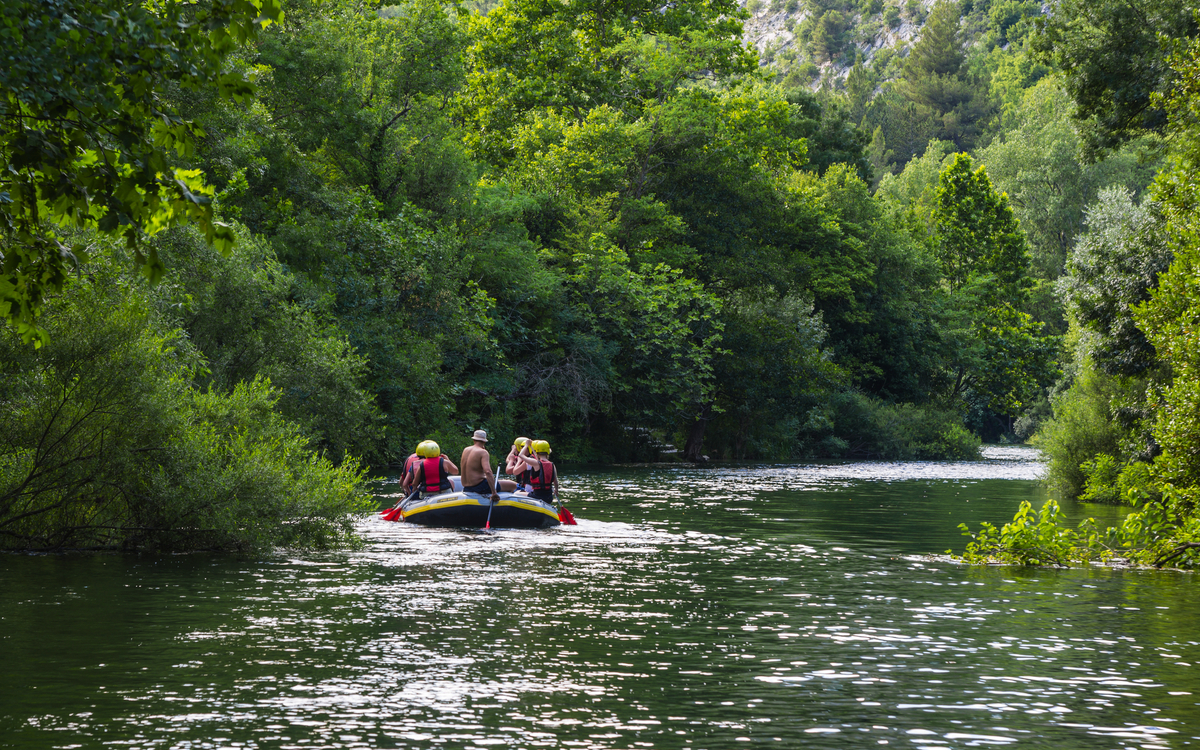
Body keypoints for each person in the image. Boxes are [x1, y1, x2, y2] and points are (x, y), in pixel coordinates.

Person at [458, 429, 501, 503]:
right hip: (479, 487)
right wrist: (494, 492)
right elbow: (487, 471)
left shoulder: (466, 450)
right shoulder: (483, 452)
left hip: (467, 487)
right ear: (484, 441)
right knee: (512, 485)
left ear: (474, 440)